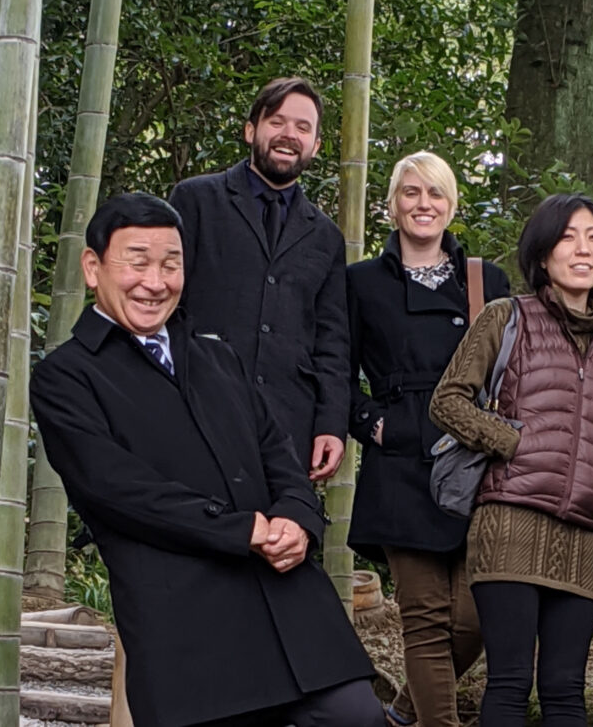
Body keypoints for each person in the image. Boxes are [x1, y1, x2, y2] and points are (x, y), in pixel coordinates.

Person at [29, 193, 382, 727]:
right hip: (184, 619)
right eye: (138, 262)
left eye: (171, 264)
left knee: (353, 716)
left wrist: (297, 517)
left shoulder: (217, 356)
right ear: (94, 267)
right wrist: (242, 530)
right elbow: (118, 490)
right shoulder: (67, 376)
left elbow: (277, 454)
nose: (156, 281)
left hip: (283, 602)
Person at [430, 194, 593, 726]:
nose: (583, 249)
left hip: (583, 535)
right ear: (544, 255)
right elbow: (447, 400)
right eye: (568, 237)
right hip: (510, 521)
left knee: (567, 691)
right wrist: (513, 442)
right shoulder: (508, 316)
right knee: (510, 683)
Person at [346, 151, 509, 727]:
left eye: (434, 193)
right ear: (392, 204)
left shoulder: (485, 280)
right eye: (411, 193)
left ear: (451, 205)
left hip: (473, 462)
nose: (423, 204)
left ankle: (402, 715)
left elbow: (510, 372)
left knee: (476, 618)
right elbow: (334, 375)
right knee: (425, 616)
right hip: (401, 465)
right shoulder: (359, 282)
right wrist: (375, 425)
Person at [169, 76, 348, 480]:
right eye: (277, 122)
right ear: (251, 130)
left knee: (277, 540)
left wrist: (331, 424)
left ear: (316, 146)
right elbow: (163, 303)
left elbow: (333, 341)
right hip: (197, 408)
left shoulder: (326, 236)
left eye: (303, 128)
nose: (289, 135)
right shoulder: (195, 200)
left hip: (287, 428)